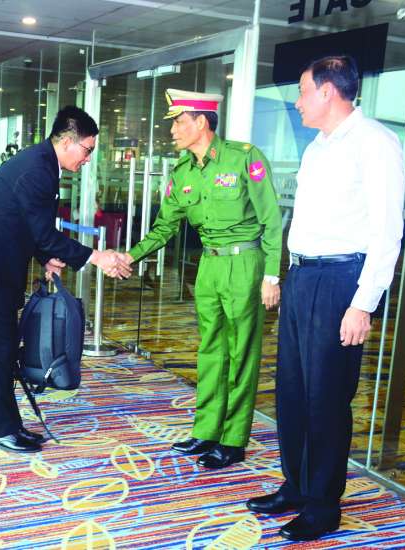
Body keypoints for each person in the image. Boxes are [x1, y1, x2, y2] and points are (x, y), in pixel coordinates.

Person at [246, 55, 405, 542]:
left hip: (341, 282)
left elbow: (387, 231)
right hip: (303, 277)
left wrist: (364, 303)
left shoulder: (375, 142)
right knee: (292, 391)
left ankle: (322, 505)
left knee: (327, 398)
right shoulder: (318, 146)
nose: (296, 102)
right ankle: (296, 485)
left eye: (302, 91)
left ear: (328, 92)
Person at [0, 106, 131, 454]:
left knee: (4, 349)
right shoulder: (37, 169)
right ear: (66, 141)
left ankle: (10, 425)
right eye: (87, 150)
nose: (88, 159)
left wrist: (45, 255)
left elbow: (25, 224)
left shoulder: (43, 164)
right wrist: (97, 257)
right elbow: (43, 233)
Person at [118, 89, 282, 470]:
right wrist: (130, 256)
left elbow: (271, 219)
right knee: (210, 351)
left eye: (179, 122)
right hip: (208, 266)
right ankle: (206, 430)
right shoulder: (183, 172)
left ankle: (233, 439)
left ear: (202, 122)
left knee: (242, 354)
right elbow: (165, 227)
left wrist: (271, 275)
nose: (173, 130)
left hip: (245, 264)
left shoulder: (244, 158)